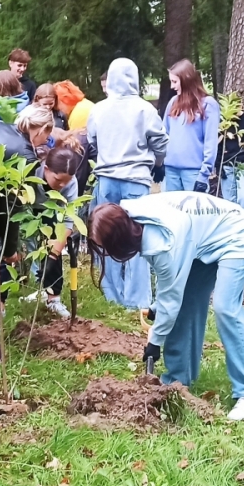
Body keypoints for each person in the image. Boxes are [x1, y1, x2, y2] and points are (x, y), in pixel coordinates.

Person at [90, 193, 244, 421]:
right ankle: (177, 383)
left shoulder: (164, 242)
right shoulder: (131, 215)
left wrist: (155, 342)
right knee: (186, 302)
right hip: (201, 240)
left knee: (225, 307)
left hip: (237, 234)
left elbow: (170, 299)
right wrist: (158, 307)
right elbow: (172, 288)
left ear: (119, 241)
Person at [86, 58, 168, 312]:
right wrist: (158, 162)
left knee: (107, 234)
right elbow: (161, 142)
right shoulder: (145, 109)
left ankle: (112, 294)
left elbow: (92, 140)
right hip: (136, 181)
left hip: (106, 180)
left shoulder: (98, 109)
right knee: (137, 237)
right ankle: (137, 298)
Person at [31, 145, 84, 318]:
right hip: (23, 210)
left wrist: (55, 250)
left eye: (66, 181)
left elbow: (69, 219)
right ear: (46, 169)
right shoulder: (31, 172)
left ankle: (53, 298)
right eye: (58, 180)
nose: (62, 185)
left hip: (51, 211)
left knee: (55, 240)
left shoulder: (71, 183)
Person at [162, 59, 220, 192]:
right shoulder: (173, 102)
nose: (172, 86)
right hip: (171, 171)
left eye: (175, 82)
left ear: (186, 80)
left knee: (193, 212)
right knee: (172, 212)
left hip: (194, 172)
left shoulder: (208, 104)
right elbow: (164, 134)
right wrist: (159, 162)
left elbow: (210, 142)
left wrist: (204, 174)